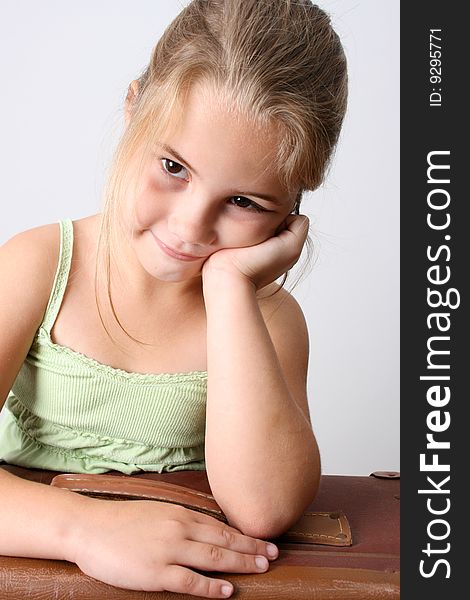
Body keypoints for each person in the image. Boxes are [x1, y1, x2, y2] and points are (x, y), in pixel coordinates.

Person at [0, 0, 347, 597]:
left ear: (294, 205)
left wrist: (231, 289)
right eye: (173, 166)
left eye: (245, 202)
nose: (190, 227)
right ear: (134, 107)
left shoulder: (267, 319)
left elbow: (264, 509)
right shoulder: (39, 266)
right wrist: (86, 530)